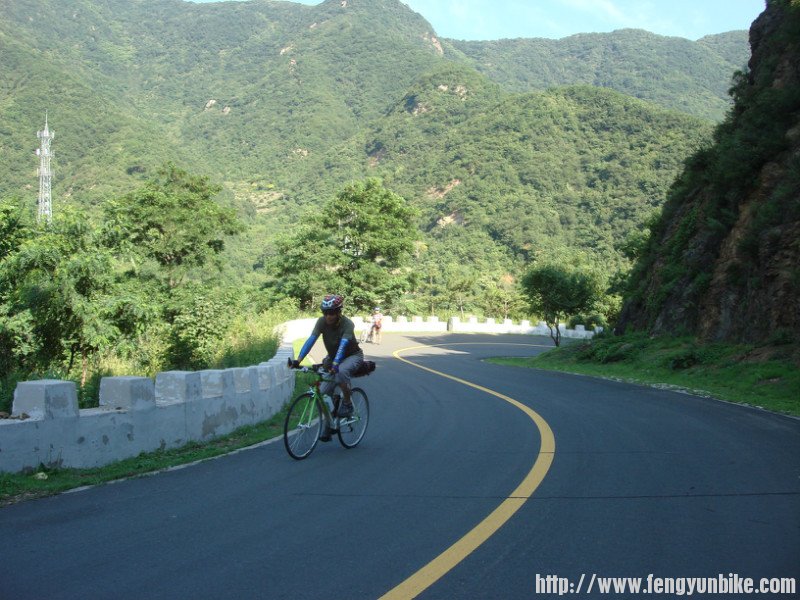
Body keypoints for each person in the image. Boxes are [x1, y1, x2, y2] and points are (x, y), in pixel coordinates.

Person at [289, 294, 364, 441]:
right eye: (325, 312)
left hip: (351, 356)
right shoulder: (321, 322)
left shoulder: (347, 324)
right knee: (321, 394)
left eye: (331, 312)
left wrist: (336, 365)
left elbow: (343, 345)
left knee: (341, 372)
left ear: (338, 312)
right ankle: (329, 424)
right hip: (332, 357)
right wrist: (298, 360)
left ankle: (347, 404)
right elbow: (311, 340)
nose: (328, 316)